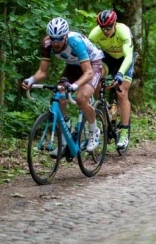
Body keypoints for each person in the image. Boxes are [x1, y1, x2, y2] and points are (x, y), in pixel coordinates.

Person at [22, 17, 104, 152]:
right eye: (53, 38)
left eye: (59, 38)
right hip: (72, 66)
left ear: (66, 36)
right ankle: (67, 134)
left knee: (81, 98)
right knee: (59, 94)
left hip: (93, 64)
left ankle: (94, 130)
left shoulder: (76, 42)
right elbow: (43, 72)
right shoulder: (47, 43)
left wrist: (75, 86)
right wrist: (31, 80)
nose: (56, 42)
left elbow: (88, 72)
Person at [88, 10, 134, 149]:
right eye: (102, 28)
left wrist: (120, 74)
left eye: (108, 27)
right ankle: (106, 110)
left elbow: (128, 57)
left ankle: (124, 133)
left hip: (125, 59)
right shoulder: (94, 34)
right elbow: (87, 54)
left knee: (121, 92)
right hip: (108, 59)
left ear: (114, 24)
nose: (105, 31)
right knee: (95, 82)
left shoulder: (123, 31)